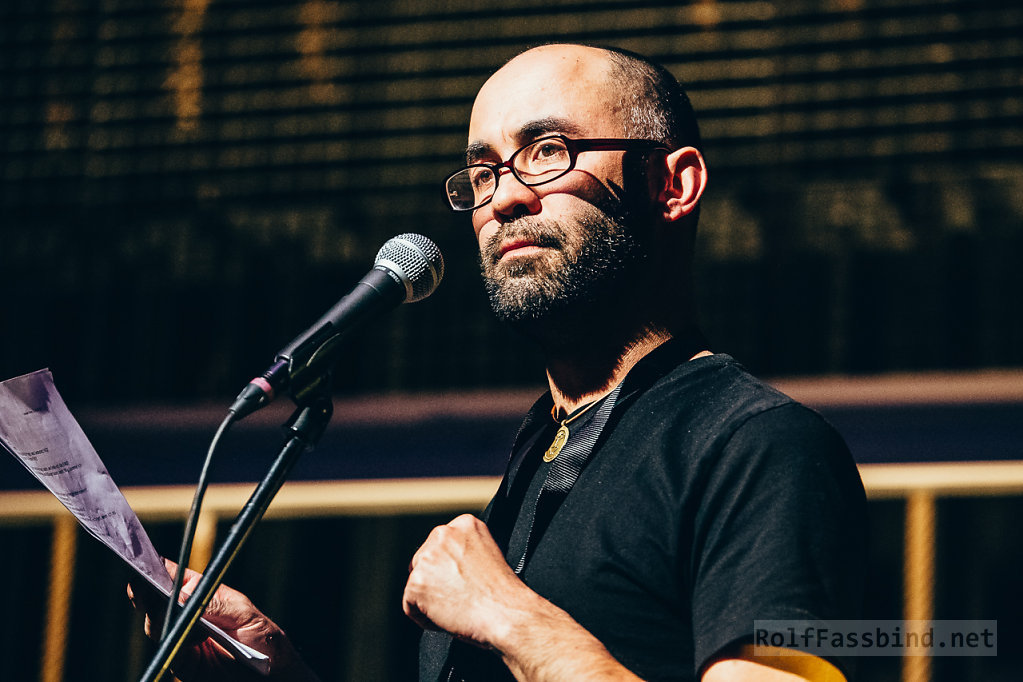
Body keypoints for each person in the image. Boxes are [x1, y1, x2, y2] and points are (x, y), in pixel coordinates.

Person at [130, 43, 867, 681]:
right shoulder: (538, 458)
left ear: (671, 185)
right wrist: (274, 668)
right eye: (482, 171)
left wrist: (509, 618)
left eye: (549, 151)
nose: (504, 196)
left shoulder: (760, 446)